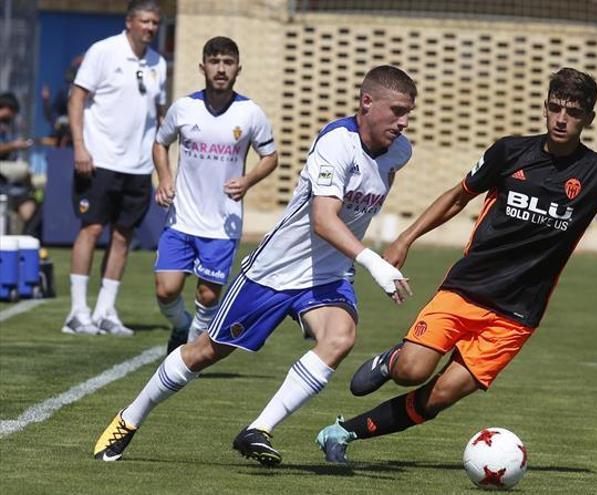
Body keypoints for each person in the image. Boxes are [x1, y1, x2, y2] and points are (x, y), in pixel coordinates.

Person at [314, 67, 597, 464]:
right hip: (465, 290)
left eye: (572, 112)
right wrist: (405, 238)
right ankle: (392, 360)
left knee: (439, 397)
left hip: (517, 315)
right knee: (411, 373)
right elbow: (457, 197)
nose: (561, 118)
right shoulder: (509, 152)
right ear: (544, 108)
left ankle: (343, 432)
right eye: (555, 108)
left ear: (588, 119)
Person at [93, 65, 418, 464]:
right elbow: (323, 219)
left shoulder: (400, 153)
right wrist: (373, 261)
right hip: (274, 272)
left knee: (340, 338)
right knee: (206, 351)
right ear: (367, 102)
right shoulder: (337, 143)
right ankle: (130, 417)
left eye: (408, 114)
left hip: (327, 275)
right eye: (398, 110)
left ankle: (258, 429)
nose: (403, 123)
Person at [153, 36, 278, 355]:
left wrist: (248, 180)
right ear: (203, 66)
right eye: (215, 61)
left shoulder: (250, 113)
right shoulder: (184, 107)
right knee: (166, 290)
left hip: (223, 223)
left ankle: (188, 351)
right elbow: (160, 142)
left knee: (208, 297)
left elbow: (271, 156)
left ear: (238, 69)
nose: (221, 69)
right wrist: (165, 177)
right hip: (182, 218)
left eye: (228, 62)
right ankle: (181, 326)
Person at [62, 0, 166, 336]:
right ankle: (78, 312)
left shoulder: (158, 63)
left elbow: (158, 114)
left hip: (137, 166)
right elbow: (76, 99)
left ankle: (106, 312)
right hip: (99, 159)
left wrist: (164, 163)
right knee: (90, 230)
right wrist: (80, 146)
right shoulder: (103, 51)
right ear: (130, 22)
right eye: (145, 21)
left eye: (155, 23)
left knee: (123, 237)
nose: (150, 28)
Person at [0, 92, 38, 235]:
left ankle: (28, 245)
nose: (12, 116)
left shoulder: (7, 127)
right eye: (12, 111)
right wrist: (14, 145)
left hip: (9, 182)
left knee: (29, 206)